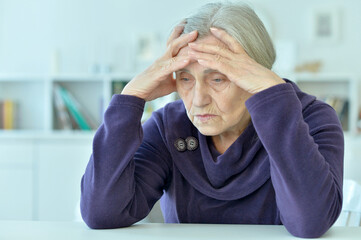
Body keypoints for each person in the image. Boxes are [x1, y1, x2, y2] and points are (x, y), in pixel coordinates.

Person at [80, 2, 344, 238]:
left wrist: (274, 97)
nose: (198, 100)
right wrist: (131, 97)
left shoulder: (311, 119)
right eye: (185, 78)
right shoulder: (169, 126)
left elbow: (311, 223)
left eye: (217, 78)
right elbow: (102, 214)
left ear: (255, 74)